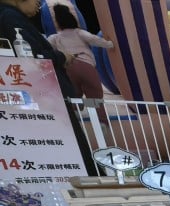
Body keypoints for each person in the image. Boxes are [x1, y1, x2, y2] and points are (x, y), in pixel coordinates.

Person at [0, 0, 97, 174]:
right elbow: (33, 57)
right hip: (46, 100)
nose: (38, 3)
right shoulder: (10, 17)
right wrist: (61, 57)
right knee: (75, 155)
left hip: (32, 99)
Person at [47, 4, 114, 100]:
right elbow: (94, 39)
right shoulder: (79, 33)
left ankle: (77, 110)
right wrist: (109, 44)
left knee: (73, 96)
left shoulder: (55, 38)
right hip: (86, 66)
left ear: (57, 22)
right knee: (94, 96)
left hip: (68, 69)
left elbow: (47, 48)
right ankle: (97, 113)